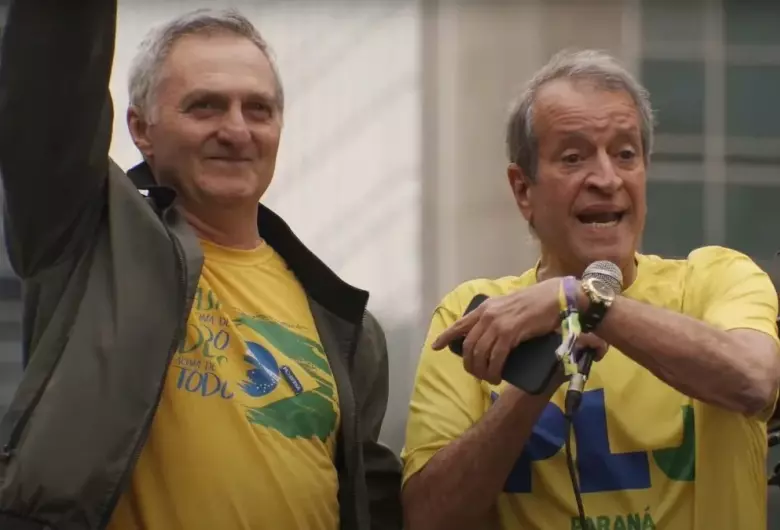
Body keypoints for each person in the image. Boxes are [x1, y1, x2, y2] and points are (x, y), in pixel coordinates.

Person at [0, 2, 401, 529]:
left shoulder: (350, 329)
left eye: (258, 110)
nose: (237, 130)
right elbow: (50, 82)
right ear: (141, 128)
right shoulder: (87, 238)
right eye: (205, 107)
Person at [401, 49, 780, 530]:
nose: (606, 179)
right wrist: (537, 380)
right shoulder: (477, 313)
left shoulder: (717, 278)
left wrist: (585, 301)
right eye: (574, 157)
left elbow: (753, 381)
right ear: (523, 190)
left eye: (626, 155)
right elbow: (426, 517)